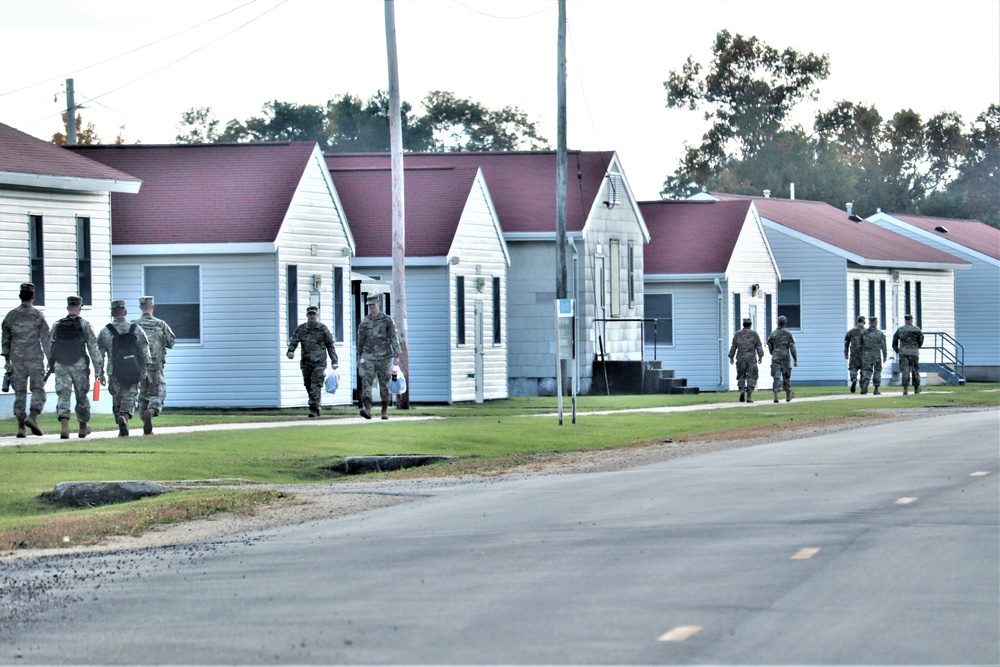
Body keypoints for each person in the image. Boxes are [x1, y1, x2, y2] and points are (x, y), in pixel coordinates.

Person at [49, 295, 105, 439]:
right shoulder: (84, 325)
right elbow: (93, 348)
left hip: (61, 365)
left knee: (63, 395)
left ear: (68, 308)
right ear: (80, 308)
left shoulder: (57, 324)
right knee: (82, 396)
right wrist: (99, 370)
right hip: (79, 366)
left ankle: (64, 427)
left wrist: (52, 364)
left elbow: (50, 346)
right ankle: (82, 427)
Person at [1, 283, 50, 437]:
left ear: (20, 296)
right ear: (33, 297)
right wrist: (50, 358)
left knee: (20, 393)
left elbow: (5, 341)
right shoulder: (38, 315)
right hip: (35, 358)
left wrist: (7, 361)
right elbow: (45, 339)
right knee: (38, 390)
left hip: (17, 360)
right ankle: (33, 417)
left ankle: (21, 427)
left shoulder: (10, 316)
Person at [97, 300, 151, 436]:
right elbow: (144, 350)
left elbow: (99, 355)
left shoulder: (105, 331)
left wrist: (100, 372)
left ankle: (120, 422)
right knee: (130, 395)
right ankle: (125, 417)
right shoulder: (136, 329)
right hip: (133, 368)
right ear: (125, 312)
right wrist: (145, 368)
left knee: (117, 397)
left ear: (112, 313)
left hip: (114, 370)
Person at [133, 296, 176, 434]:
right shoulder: (161, 324)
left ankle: (144, 417)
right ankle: (151, 412)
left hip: (138, 367)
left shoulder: (133, 325)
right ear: (153, 306)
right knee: (158, 392)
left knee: (142, 395)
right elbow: (171, 342)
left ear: (140, 307)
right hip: (156, 367)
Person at [286, 304, 338, 418]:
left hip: (319, 362)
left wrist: (334, 361)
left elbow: (330, 345)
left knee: (316, 384)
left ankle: (313, 409)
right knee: (309, 385)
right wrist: (290, 351)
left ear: (317, 315)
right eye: (310, 314)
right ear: (307, 316)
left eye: (314, 314)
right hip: (306, 363)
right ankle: (317, 405)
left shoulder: (323, 329)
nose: (312, 317)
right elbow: (294, 341)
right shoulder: (301, 329)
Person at [356, 294, 401, 420]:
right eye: (369, 305)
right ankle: (368, 409)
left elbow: (393, 337)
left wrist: (396, 354)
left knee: (385, 384)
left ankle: (384, 410)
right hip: (368, 356)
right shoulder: (365, 322)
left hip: (384, 357)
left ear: (378, 304)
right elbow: (361, 341)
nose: (371, 307)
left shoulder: (387, 320)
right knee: (366, 381)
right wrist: (359, 358)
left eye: (373, 304)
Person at [729, 317, 764, 403]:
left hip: (740, 357)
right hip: (751, 357)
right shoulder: (754, 334)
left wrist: (731, 357)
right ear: (750, 325)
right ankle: (749, 395)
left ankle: (741, 389)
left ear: (743, 324)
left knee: (741, 375)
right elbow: (758, 346)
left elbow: (733, 346)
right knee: (751, 376)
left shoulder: (737, 334)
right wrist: (760, 356)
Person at [766, 314, 798, 403]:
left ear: (778, 323)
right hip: (785, 357)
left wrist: (773, 353)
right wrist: (795, 359)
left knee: (776, 376)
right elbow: (792, 348)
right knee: (786, 376)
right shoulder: (789, 334)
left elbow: (769, 345)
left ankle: (776, 395)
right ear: (785, 323)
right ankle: (788, 394)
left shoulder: (773, 334)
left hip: (776, 357)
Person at [892, 314, 924, 395]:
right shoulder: (916, 329)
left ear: (905, 320)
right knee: (915, 370)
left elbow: (894, 341)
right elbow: (921, 339)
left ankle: (905, 389)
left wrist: (897, 350)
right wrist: (917, 347)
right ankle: (916, 388)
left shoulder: (900, 330)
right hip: (913, 352)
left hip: (903, 352)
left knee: (905, 371)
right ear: (911, 320)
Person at [860, 315, 887, 395]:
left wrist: (861, 354)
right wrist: (885, 355)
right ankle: (876, 388)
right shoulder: (880, 334)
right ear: (876, 323)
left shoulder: (864, 333)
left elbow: (859, 345)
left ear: (869, 323)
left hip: (866, 355)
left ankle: (865, 381)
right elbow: (883, 346)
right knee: (877, 371)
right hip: (876, 355)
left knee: (866, 370)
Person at [844, 315, 866, 393]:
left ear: (857, 322)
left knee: (853, 368)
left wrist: (846, 353)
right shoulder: (866, 332)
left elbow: (846, 342)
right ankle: (862, 385)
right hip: (863, 354)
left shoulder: (851, 331)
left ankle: (854, 379)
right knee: (863, 370)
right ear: (864, 322)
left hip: (854, 353)